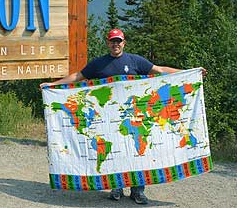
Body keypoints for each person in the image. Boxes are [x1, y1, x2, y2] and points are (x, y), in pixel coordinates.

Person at [40, 28, 206, 205]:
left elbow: (159, 70)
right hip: (108, 119)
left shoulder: (135, 61)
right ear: (108, 43)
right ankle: (116, 187)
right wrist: (53, 84)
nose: (115, 44)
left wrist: (189, 72)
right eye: (112, 41)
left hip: (134, 117)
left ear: (123, 43)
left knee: (138, 150)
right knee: (114, 151)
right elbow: (78, 76)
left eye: (118, 41)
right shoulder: (99, 64)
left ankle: (138, 191)